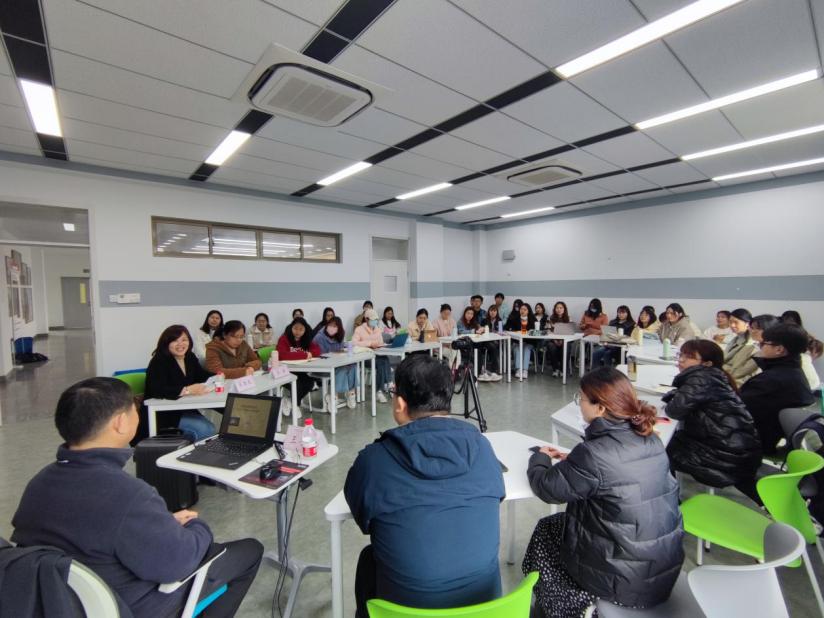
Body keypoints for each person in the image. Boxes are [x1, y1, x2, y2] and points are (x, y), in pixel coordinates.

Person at [11, 377, 263, 618]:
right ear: (121, 422)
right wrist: (196, 526)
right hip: (130, 606)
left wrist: (161, 522)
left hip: (62, 603)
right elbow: (180, 562)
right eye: (134, 408)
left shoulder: (39, 483)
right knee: (249, 551)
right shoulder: (128, 494)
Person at [344, 355, 505, 617]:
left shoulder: (373, 461)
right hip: (485, 608)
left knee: (369, 560)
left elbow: (363, 517)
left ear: (400, 404)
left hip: (406, 610)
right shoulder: (483, 448)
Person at [523, 367, 683, 617]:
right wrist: (574, 463)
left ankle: (558, 607)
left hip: (622, 581)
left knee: (547, 530)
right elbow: (615, 476)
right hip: (660, 569)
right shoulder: (651, 438)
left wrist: (540, 458)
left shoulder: (594, 454)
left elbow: (546, 487)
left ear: (600, 408)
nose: (579, 404)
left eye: (581, 398)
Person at [663, 339, 762, 489]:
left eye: (689, 357)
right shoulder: (716, 377)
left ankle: (671, 495)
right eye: (680, 354)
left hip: (722, 459)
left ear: (707, 363)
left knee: (660, 447)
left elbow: (674, 411)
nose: (681, 360)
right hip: (737, 454)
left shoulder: (701, 378)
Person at [741, 323, 815, 454]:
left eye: (763, 343)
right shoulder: (794, 371)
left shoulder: (770, 381)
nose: (760, 346)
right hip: (774, 438)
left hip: (756, 443)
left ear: (779, 349)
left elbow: (738, 410)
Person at [139, 325, 215, 444]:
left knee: (211, 426)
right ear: (166, 343)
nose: (180, 344)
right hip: (162, 414)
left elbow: (201, 375)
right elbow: (157, 390)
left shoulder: (189, 356)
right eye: (175, 340)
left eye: (184, 340)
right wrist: (187, 390)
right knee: (206, 429)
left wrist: (219, 376)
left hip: (182, 409)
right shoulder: (159, 361)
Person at [276, 317, 321, 416]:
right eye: (295, 328)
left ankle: (291, 401)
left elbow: (317, 350)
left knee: (310, 383)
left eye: (301, 329)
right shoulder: (284, 338)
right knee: (297, 384)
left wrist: (310, 353)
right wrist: (304, 355)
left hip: (300, 370)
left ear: (305, 330)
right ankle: (296, 405)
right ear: (291, 327)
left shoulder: (306, 339)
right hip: (285, 371)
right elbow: (282, 355)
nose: (298, 332)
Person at [313, 317, 358, 410]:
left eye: (335, 326)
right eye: (330, 325)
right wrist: (336, 355)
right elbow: (320, 356)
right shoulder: (319, 337)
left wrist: (342, 354)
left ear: (339, 328)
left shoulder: (339, 336)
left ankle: (351, 393)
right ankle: (333, 396)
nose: (332, 328)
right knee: (342, 369)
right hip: (321, 366)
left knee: (353, 365)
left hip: (336, 363)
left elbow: (340, 350)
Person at [353, 309, 392, 403]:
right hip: (364, 358)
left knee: (385, 359)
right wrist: (370, 344)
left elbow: (380, 342)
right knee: (381, 363)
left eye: (376, 319)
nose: (375, 321)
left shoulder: (377, 329)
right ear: (366, 319)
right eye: (373, 319)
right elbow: (354, 343)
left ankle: (387, 386)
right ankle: (381, 389)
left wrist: (380, 345)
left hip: (376, 354)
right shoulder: (359, 329)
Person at [723, 308, 759, 385]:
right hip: (727, 375)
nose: (732, 325)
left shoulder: (752, 344)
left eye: (736, 322)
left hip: (739, 381)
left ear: (747, 323)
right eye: (730, 322)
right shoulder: (736, 338)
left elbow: (738, 371)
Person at [506, 302, 536, 379]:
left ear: (528, 311)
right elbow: (507, 328)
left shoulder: (533, 319)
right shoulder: (514, 319)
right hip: (517, 341)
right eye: (521, 309)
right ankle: (518, 369)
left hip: (529, 342)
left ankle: (525, 370)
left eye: (525, 309)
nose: (522, 311)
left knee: (526, 349)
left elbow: (537, 331)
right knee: (517, 348)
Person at [547, 301, 570, 378]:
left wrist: (562, 341)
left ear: (564, 309)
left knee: (567, 345)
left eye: (561, 308)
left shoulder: (568, 319)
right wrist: (555, 340)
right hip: (554, 340)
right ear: (555, 309)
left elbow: (570, 332)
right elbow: (549, 331)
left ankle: (563, 369)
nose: (559, 309)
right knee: (550, 345)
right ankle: (555, 369)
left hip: (565, 340)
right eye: (557, 308)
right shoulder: (551, 318)